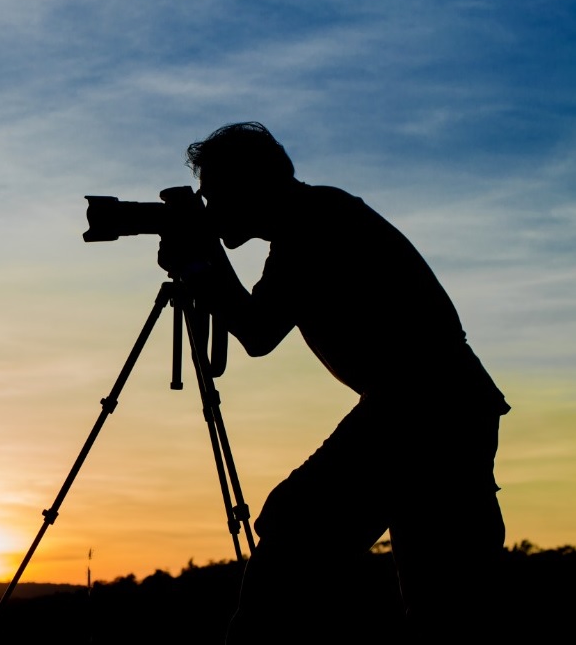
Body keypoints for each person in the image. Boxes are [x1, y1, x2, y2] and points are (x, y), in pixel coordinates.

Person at [154, 122, 509, 643]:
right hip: (442, 409)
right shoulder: (316, 217)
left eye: (216, 195)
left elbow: (257, 331)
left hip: (420, 411)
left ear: (250, 185)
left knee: (295, 537)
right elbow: (258, 323)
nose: (212, 209)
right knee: (444, 598)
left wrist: (202, 266)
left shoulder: (313, 224)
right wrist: (202, 266)